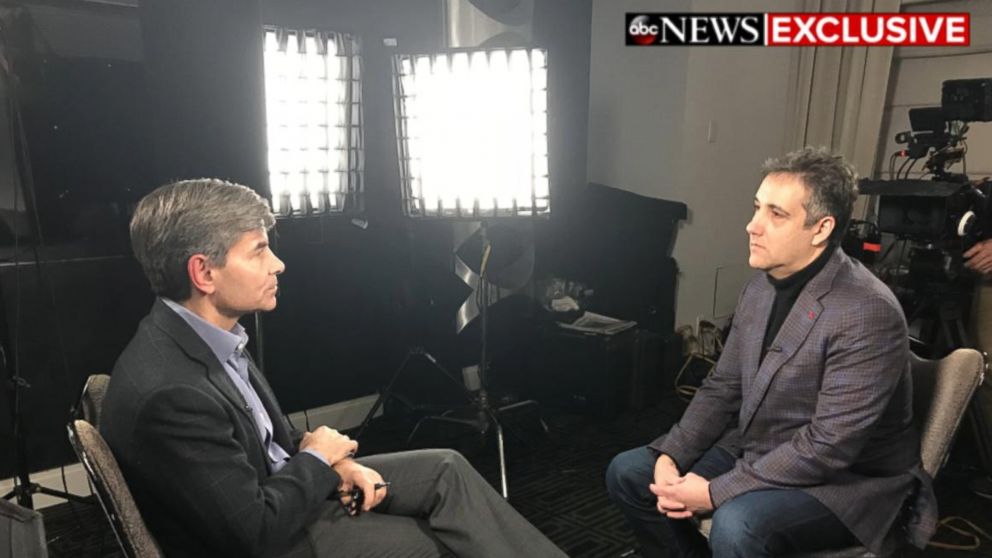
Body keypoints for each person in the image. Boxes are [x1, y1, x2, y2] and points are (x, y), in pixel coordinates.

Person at [100, 178, 568, 558]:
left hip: (280, 491)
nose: (278, 264)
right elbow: (255, 533)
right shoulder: (173, 392)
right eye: (259, 251)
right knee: (437, 543)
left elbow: (261, 442)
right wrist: (319, 461)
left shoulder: (207, 337)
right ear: (204, 273)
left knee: (446, 468)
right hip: (267, 537)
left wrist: (337, 464)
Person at [605, 147, 936, 558]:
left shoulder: (868, 311)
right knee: (631, 474)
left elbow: (829, 447)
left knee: (738, 525)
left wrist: (712, 492)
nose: (752, 225)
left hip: (850, 480)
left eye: (776, 214)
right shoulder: (760, 287)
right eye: (757, 207)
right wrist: (673, 455)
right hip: (763, 445)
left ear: (821, 228)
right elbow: (722, 387)